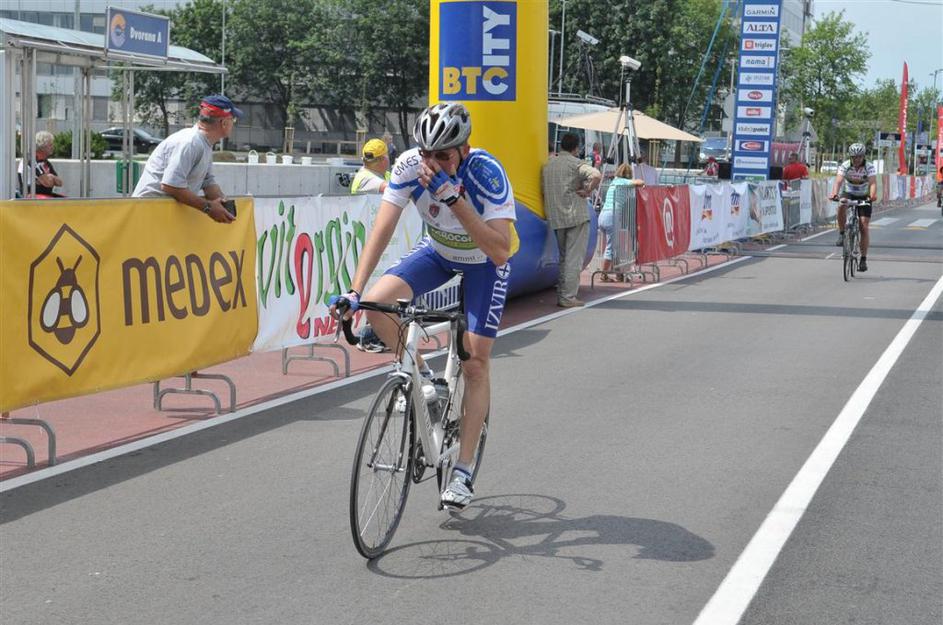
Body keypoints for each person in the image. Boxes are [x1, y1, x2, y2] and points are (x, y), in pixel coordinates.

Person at [330, 102, 517, 510]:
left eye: (443, 155)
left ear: (464, 149)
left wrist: (455, 199)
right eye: (426, 153)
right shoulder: (410, 166)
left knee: (475, 362)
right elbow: (382, 229)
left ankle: (463, 471)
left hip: (485, 263)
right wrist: (355, 291)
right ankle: (426, 379)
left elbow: (501, 250)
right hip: (439, 252)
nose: (432, 163)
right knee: (376, 303)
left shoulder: (486, 172)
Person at [132, 94, 241, 223]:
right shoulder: (190, 143)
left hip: (159, 214)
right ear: (224, 123)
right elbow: (170, 185)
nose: (234, 124)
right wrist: (208, 208)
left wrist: (222, 202)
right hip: (147, 213)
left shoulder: (204, 144)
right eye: (233, 119)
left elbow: (207, 182)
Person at [541, 132, 601, 307]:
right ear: (576, 148)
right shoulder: (576, 163)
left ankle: (562, 293)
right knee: (574, 258)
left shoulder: (548, 165)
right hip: (576, 214)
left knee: (563, 257)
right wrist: (588, 190)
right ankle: (568, 297)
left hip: (556, 216)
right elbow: (596, 175)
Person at [830, 142, 877, 272]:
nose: (857, 159)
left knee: (864, 227)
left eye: (860, 157)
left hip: (864, 195)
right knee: (841, 205)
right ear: (851, 157)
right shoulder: (845, 165)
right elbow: (838, 181)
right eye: (854, 157)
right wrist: (834, 193)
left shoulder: (869, 167)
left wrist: (872, 195)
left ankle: (863, 259)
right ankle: (841, 233)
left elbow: (873, 183)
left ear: (863, 157)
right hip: (849, 192)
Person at [597, 163, 644, 282]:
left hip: (603, 215)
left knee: (615, 246)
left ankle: (618, 273)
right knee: (611, 248)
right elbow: (639, 182)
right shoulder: (622, 182)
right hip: (612, 216)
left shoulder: (614, 182)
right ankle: (603, 274)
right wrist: (642, 184)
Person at [17, 130, 64, 197]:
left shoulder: (45, 162)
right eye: (50, 145)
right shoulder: (30, 160)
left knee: (68, 200)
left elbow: (60, 183)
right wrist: (49, 179)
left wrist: (51, 177)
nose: (53, 147)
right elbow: (47, 182)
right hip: (30, 197)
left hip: (45, 195)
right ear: (42, 146)